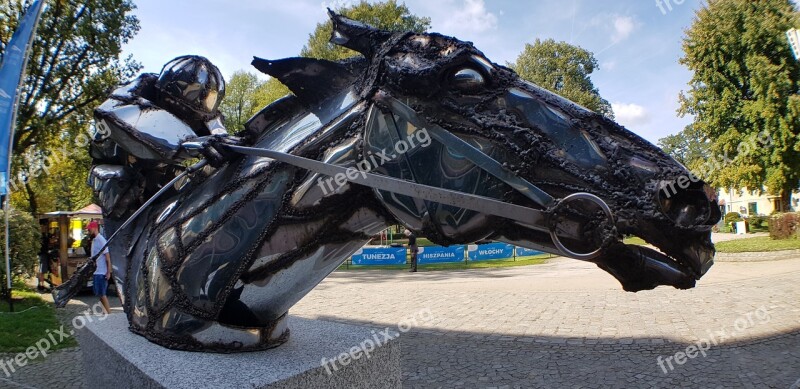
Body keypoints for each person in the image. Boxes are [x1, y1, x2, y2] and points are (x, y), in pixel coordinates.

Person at [87, 220, 112, 314]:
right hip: (96, 271)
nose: (89, 231)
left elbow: (107, 257)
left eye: (90, 229)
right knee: (99, 294)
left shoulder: (101, 240)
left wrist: (108, 271)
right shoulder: (94, 240)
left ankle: (108, 312)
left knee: (102, 293)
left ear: (95, 228)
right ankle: (104, 311)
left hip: (101, 271)